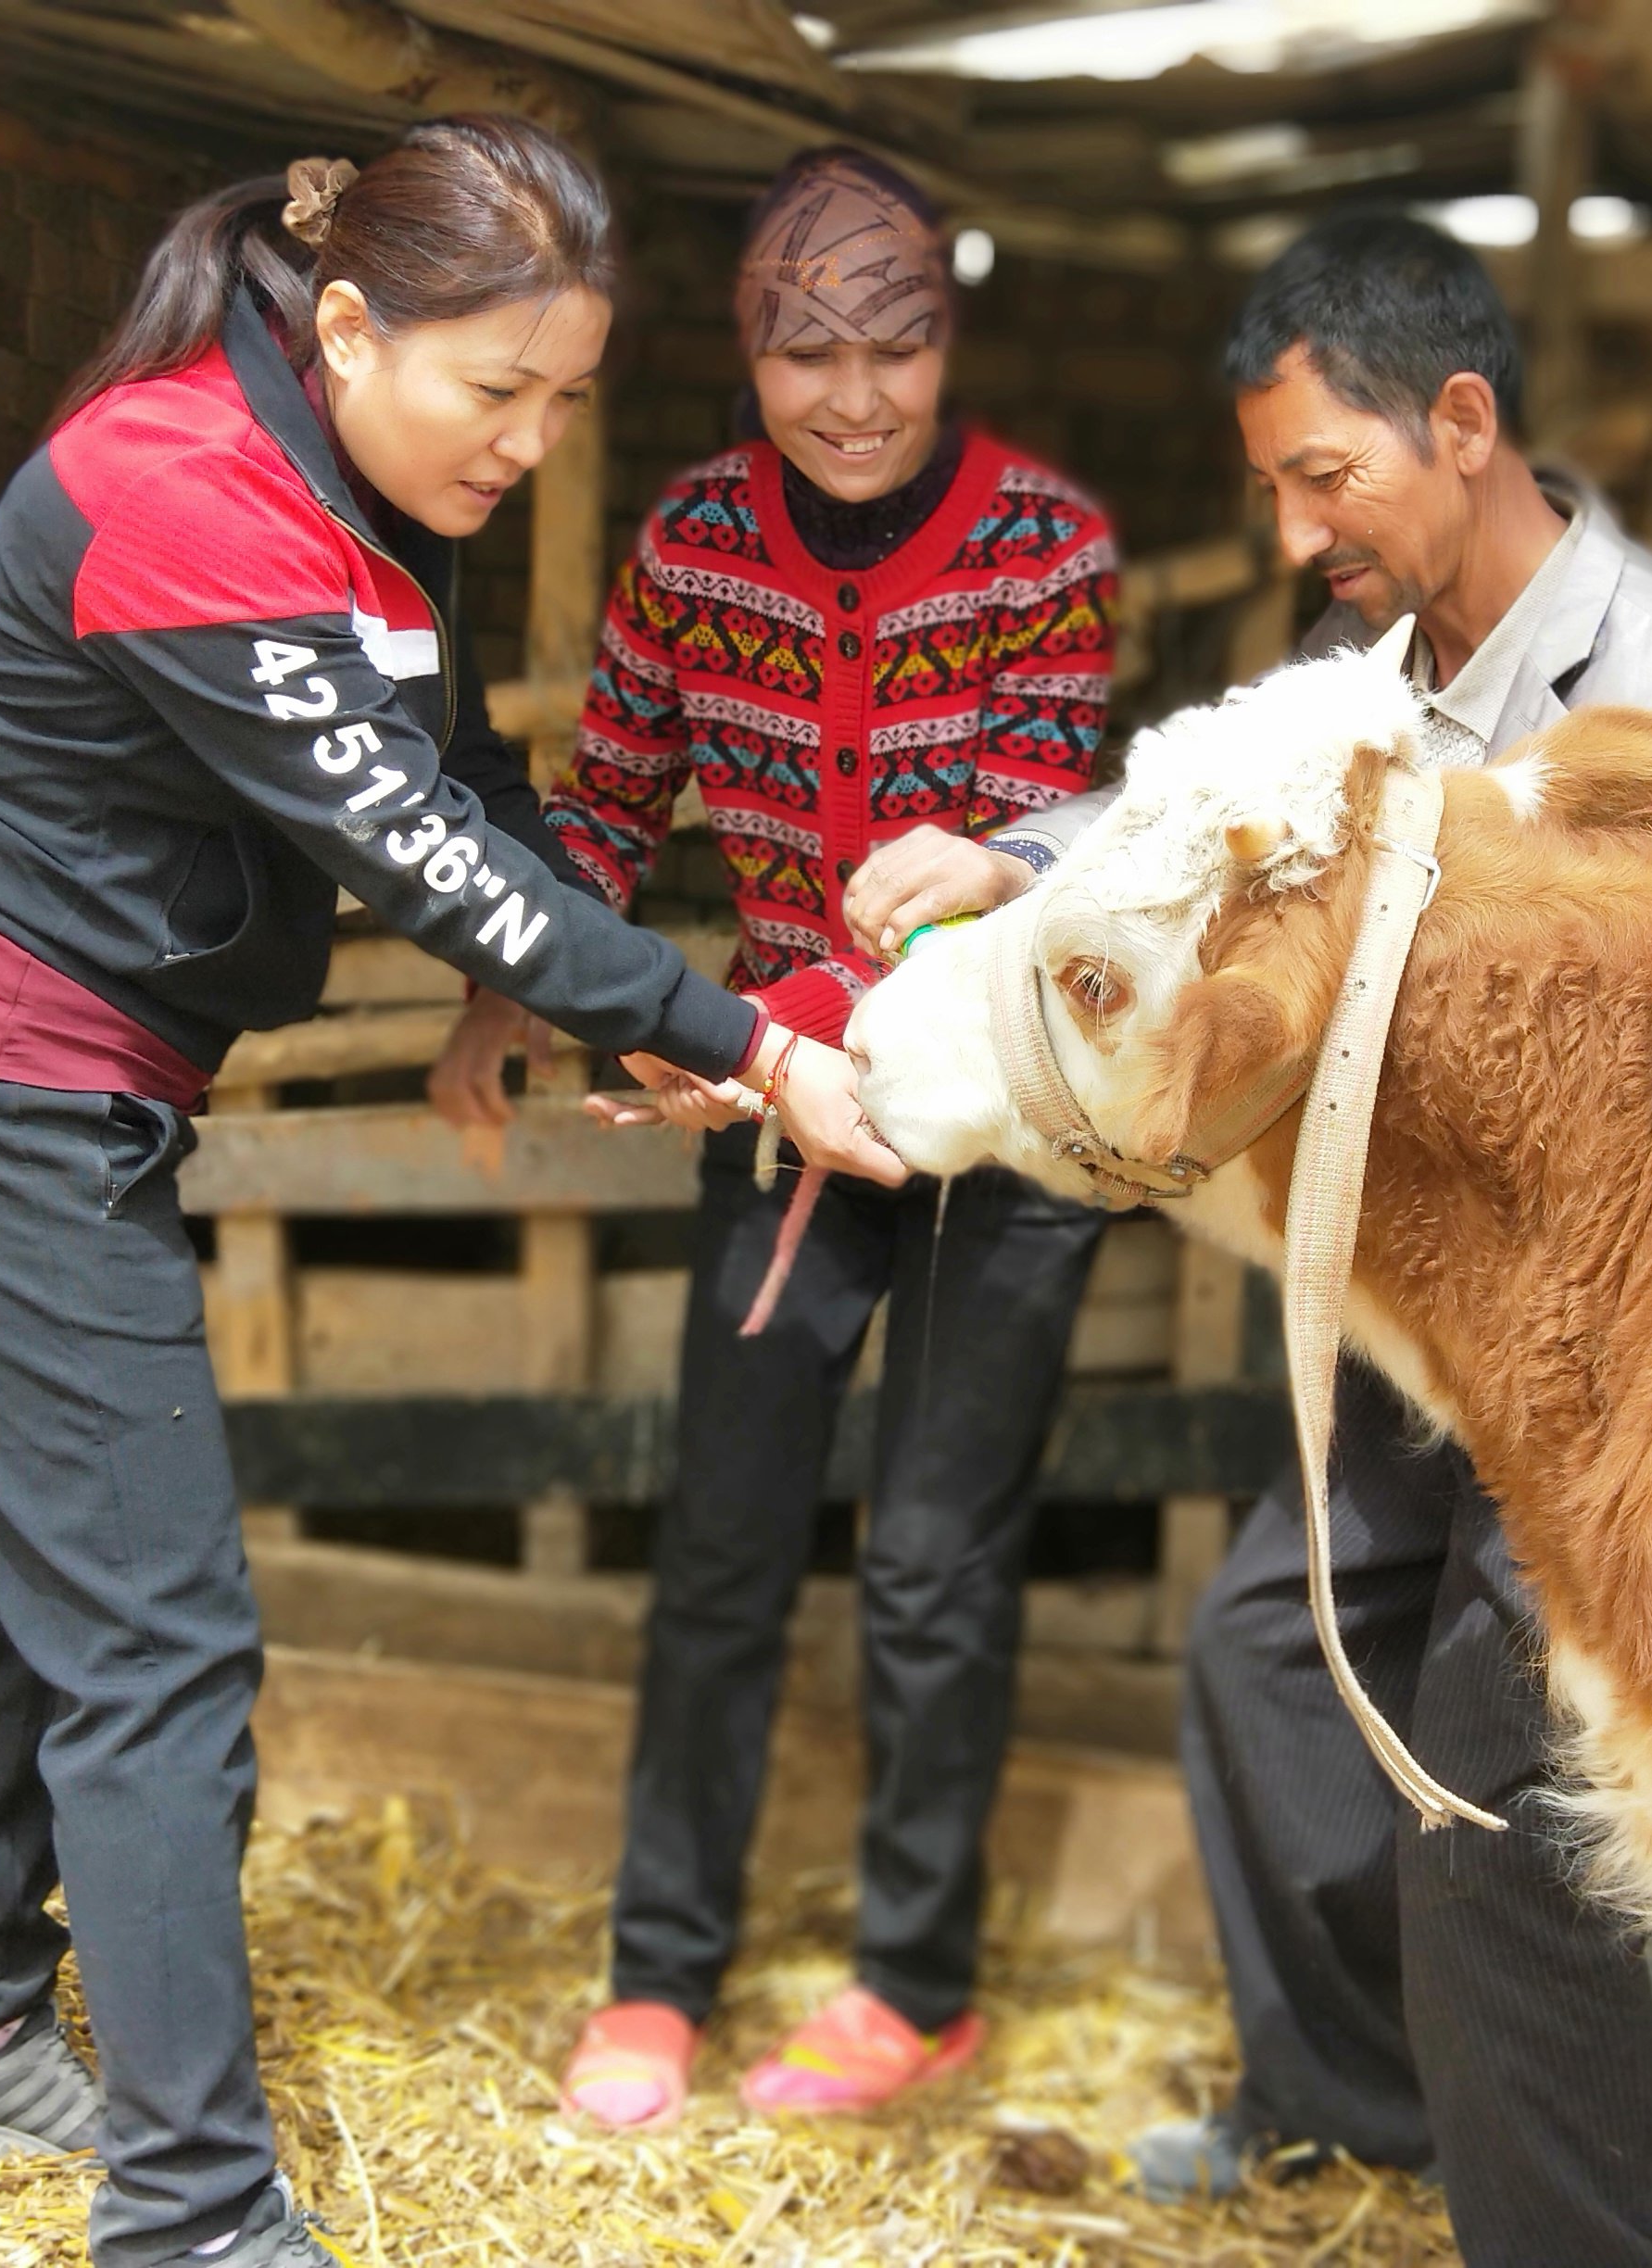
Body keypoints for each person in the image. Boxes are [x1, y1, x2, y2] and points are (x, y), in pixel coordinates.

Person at [0, 119, 899, 2268]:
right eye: (496, 390)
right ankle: (198, 2217)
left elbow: (464, 779)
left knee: (26, 1604)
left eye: (566, 396)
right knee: (155, 1645)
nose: (529, 439)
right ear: (342, 323)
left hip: (39, 1087)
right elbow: (413, 859)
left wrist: (560, 1000)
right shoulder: (179, 493)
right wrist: (748, 1038)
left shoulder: (349, 479)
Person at [892, 212, 1652, 2266]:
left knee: (1485, 1779)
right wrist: (1015, 858)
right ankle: (1352, 2111)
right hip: (1429, 1312)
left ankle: (1597, 2239)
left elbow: (1612, 1082)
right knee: (1264, 1653)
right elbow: (1215, 806)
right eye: (1279, 491)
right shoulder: (1382, 673)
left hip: (1600, 1345)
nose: (1306, 527)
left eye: (1329, 477)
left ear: (1463, 424)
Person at [426, 146, 1118, 2132]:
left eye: (895, 346)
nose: (856, 395)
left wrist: (944, 890)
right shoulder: (692, 541)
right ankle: (660, 1978)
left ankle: (915, 1984)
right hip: (775, 1120)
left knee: (930, 1563)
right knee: (722, 1546)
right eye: (808, 349)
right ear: (749, 348)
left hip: (999, 1130)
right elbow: (610, 801)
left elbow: (1037, 833)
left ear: (947, 339)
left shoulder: (1043, 544)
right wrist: (508, 989)